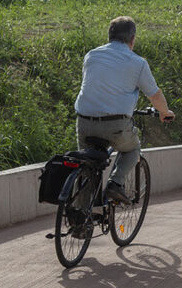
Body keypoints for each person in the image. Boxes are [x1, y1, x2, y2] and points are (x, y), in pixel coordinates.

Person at [74, 16, 175, 204]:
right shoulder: (137, 62)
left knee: (87, 164)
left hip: (84, 122)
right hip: (115, 125)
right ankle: (115, 184)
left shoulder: (91, 55)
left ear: (109, 36)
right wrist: (164, 112)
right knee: (132, 149)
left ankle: (80, 218)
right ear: (133, 39)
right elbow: (154, 95)